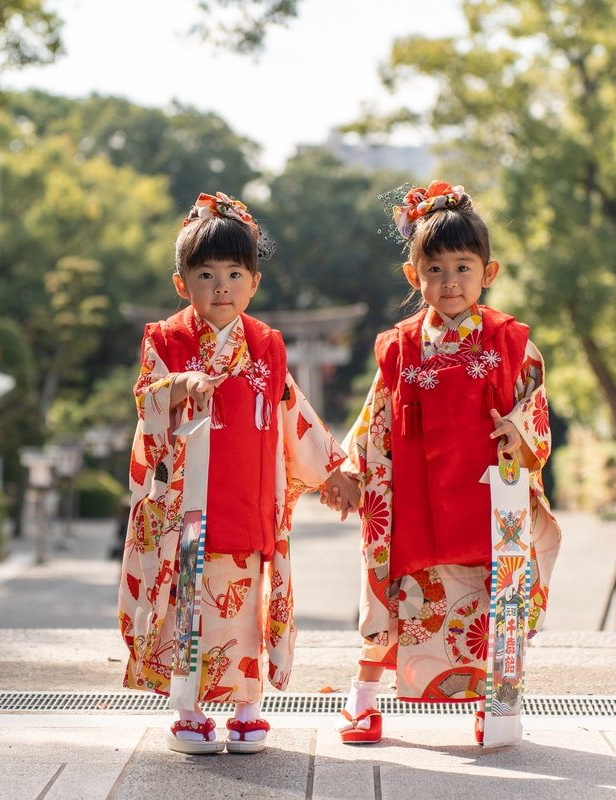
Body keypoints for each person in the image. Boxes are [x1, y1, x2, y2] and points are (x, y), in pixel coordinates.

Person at [322, 180, 563, 745]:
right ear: (414, 276)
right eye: (435, 268)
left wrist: (520, 428)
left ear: (489, 271)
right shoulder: (399, 346)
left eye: (463, 266)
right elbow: (375, 415)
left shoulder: (511, 343)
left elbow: (538, 407)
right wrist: (354, 472)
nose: (449, 281)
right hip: (410, 491)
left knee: (492, 598)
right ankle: (362, 698)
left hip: (486, 493)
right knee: (389, 590)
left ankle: (495, 699)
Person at [118, 191, 358, 755]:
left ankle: (248, 706)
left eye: (234, 272)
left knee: (246, 606)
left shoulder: (267, 346)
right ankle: (189, 708)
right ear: (183, 283)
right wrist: (178, 384)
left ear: (253, 282)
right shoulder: (166, 340)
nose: (220, 286)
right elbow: (146, 398)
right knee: (188, 603)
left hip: (249, 499)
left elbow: (291, 411)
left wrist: (332, 474)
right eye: (206, 274)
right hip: (186, 504)